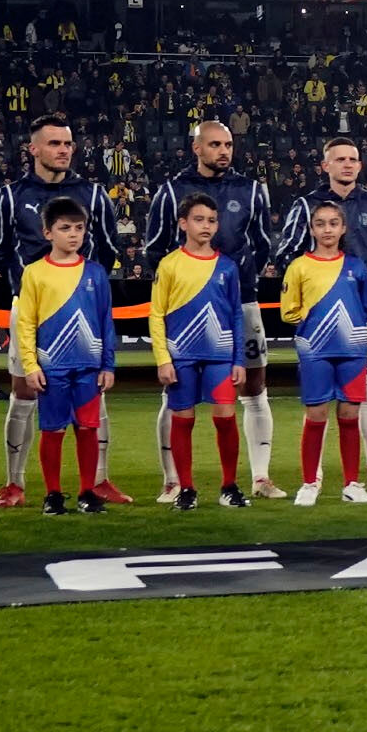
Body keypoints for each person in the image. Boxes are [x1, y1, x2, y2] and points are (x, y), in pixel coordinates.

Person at [0, 115, 120, 509]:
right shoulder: (10, 195)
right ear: (33, 149)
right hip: (32, 307)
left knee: (94, 398)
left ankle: (98, 482)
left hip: (83, 308)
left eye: (68, 144)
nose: (63, 150)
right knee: (23, 392)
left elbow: (107, 249)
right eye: (54, 143)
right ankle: (14, 484)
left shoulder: (92, 194)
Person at [143, 120, 276, 501]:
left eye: (229, 144)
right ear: (196, 148)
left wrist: (236, 277)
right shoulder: (172, 191)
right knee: (175, 396)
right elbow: (155, 248)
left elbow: (262, 243)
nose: (224, 151)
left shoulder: (250, 189)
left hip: (239, 301)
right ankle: (174, 481)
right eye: (215, 144)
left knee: (254, 386)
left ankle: (260, 477)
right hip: (185, 309)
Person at [276, 137, 367, 493]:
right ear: (326, 166)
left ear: (360, 165)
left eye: (353, 159)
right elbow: (286, 254)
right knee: (318, 401)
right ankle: (313, 477)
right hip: (319, 319)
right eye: (340, 160)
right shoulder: (306, 206)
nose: (347, 165)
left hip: (363, 315)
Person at [11, 196, 117, 515]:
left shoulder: (96, 273)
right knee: (53, 430)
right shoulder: (34, 273)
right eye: (65, 228)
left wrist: (107, 364)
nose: (73, 234)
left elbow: (105, 321)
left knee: (87, 428)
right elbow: (26, 323)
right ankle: (53, 494)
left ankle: (87, 491)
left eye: (79, 228)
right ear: (47, 233)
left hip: (87, 367)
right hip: (52, 367)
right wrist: (30, 366)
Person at [277, 197, 367, 506]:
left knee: (350, 415)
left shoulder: (355, 267)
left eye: (333, 223)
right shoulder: (299, 266)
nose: (327, 229)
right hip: (315, 352)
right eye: (320, 224)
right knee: (317, 414)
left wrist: (348, 331)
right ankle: (310, 483)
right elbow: (288, 311)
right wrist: (315, 323)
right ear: (311, 228)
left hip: (352, 351)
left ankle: (352, 483)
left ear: (343, 228)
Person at [149, 190, 249, 508]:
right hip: (181, 356)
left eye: (211, 220)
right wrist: (163, 359)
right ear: (183, 224)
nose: (205, 226)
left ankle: (229, 486)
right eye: (198, 220)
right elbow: (157, 314)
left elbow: (235, 313)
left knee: (226, 417)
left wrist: (239, 360)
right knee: (183, 419)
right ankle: (186, 489)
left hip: (220, 355)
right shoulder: (169, 265)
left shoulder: (227, 267)